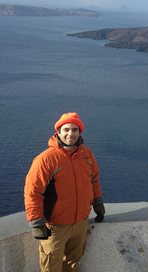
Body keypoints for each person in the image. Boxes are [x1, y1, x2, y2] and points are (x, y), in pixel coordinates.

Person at [24, 112, 105, 272]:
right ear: (58, 132)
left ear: (79, 132)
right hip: (55, 226)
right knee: (51, 266)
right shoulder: (46, 159)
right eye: (66, 129)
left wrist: (98, 203)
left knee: (73, 264)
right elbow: (33, 192)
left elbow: (94, 180)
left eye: (75, 130)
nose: (70, 134)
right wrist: (36, 222)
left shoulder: (86, 155)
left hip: (81, 223)